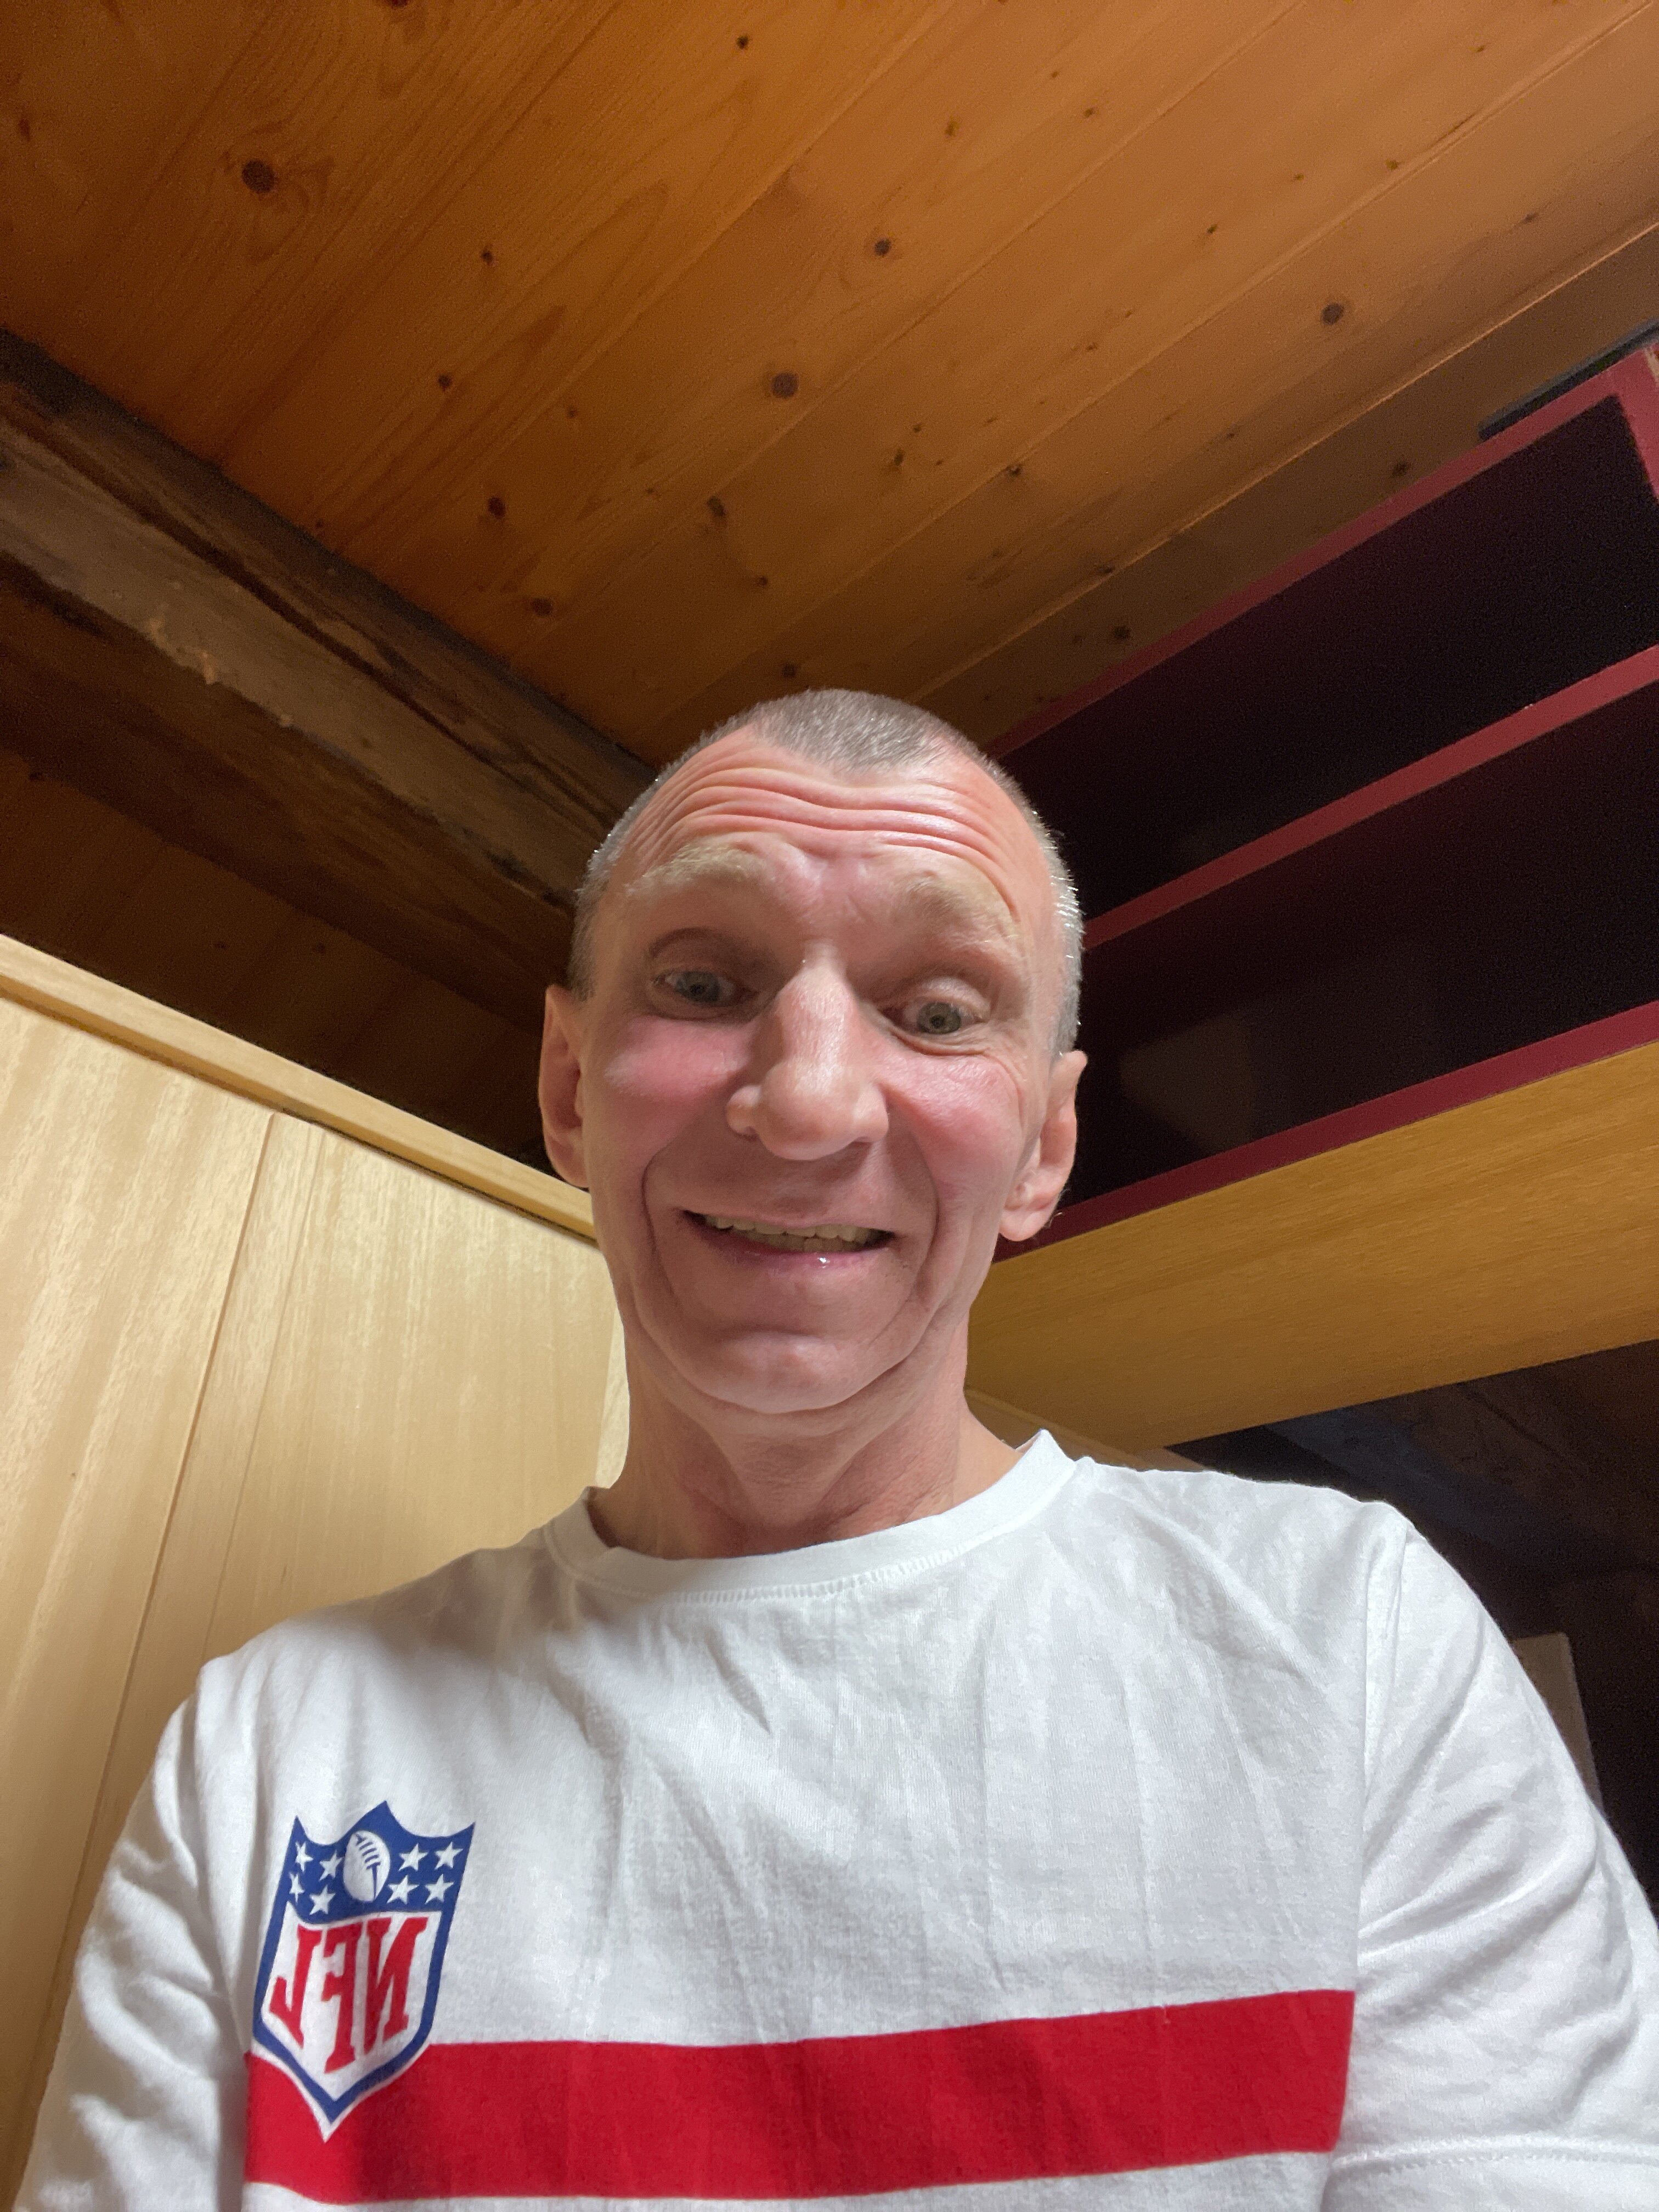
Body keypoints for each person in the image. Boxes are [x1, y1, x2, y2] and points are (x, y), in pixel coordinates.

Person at [21, 689, 1659, 2209]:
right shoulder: (269, 1750)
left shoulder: (1350, 1642)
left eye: (937, 1012)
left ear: (1045, 1146)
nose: (808, 1105)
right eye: (704, 984)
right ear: (571, 1088)